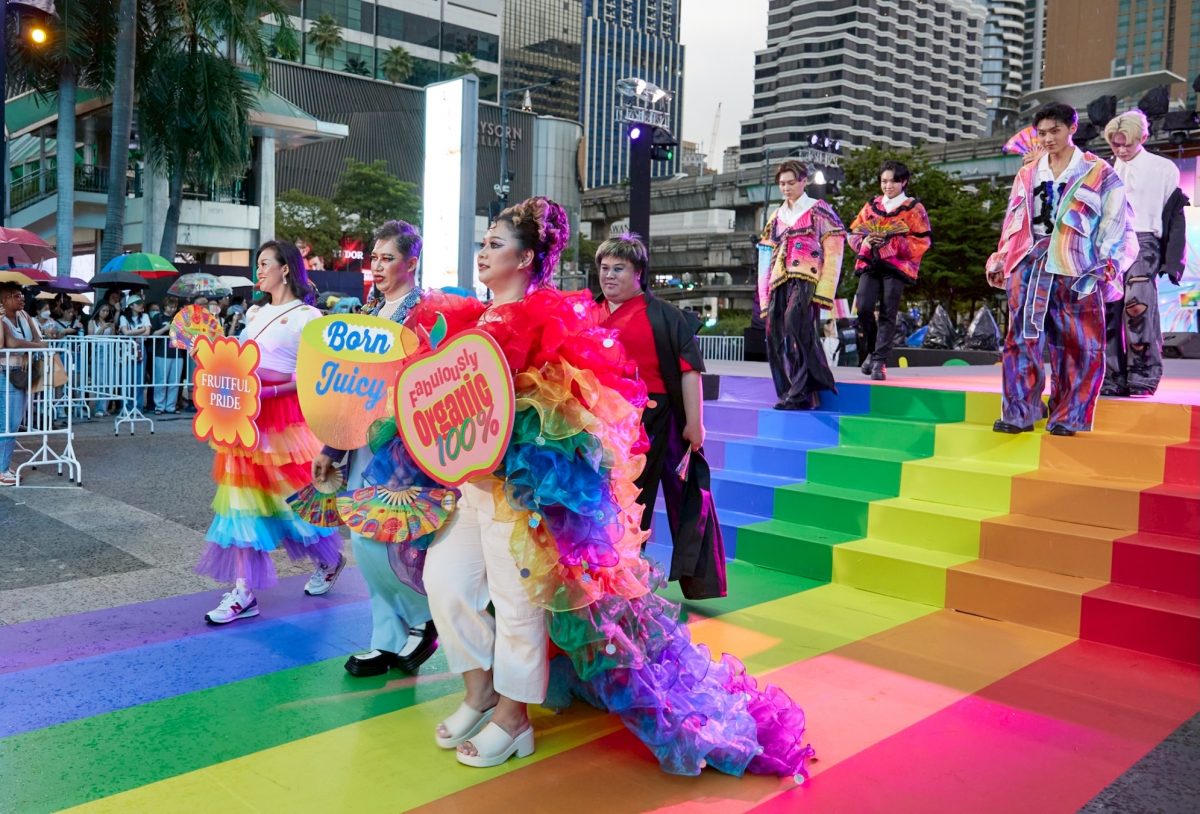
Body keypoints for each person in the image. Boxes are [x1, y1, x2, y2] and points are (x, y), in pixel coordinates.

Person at [419, 197, 813, 778]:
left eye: (495, 245)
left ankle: (512, 715)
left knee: (518, 601)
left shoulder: (551, 319)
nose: (482, 254)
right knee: (444, 580)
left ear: (525, 259)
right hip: (471, 485)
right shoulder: (470, 320)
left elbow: (579, 414)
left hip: (524, 493)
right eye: (483, 244)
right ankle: (479, 690)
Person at [310, 221, 438, 676]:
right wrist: (332, 446)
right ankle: (386, 638)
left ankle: (423, 619)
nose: (378, 267)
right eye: (375, 258)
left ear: (411, 262)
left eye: (388, 258)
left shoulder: (427, 315)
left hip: (405, 449)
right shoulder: (368, 312)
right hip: (359, 442)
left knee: (394, 539)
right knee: (365, 540)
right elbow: (348, 387)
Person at [196, 241, 346, 624]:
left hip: (282, 418)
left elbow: (315, 375)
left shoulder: (308, 317)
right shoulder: (255, 312)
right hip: (244, 418)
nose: (259, 271)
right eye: (258, 264)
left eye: (265, 264)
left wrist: (274, 390)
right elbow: (238, 361)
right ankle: (243, 592)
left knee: (290, 499)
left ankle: (330, 559)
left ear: (286, 269)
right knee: (241, 501)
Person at [987, 102, 1137, 437]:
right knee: (1020, 339)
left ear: (1072, 128)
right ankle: (1018, 412)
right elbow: (1013, 219)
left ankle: (1069, 415)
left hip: (1077, 265)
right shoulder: (1028, 173)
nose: (1047, 139)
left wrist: (1105, 266)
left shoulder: (1099, 172)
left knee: (1079, 342)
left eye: (1055, 131)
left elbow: (1116, 222)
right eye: (1042, 133)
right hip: (1029, 262)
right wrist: (1003, 258)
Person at [595, 232, 706, 539]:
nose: (609, 275)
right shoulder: (586, 312)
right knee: (593, 499)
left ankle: (632, 565)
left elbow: (690, 372)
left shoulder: (667, 317)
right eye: (604, 268)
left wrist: (695, 424)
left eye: (618, 268)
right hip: (592, 420)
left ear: (638, 273)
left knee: (637, 497)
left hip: (648, 421)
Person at [1100, 110, 1182, 397]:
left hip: (1145, 240)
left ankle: (1144, 374)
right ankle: (1112, 376)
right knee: (1107, 309)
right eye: (1116, 144)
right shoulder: (1104, 170)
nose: (1121, 150)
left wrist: (1173, 259)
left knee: (1138, 305)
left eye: (1127, 144)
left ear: (1143, 138)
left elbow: (1174, 215)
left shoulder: (1164, 168)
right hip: (1109, 243)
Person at [758, 160, 845, 410]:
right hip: (778, 280)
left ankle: (801, 391)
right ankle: (791, 390)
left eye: (791, 183)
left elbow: (834, 250)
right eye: (782, 184)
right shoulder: (776, 216)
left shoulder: (819, 210)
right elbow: (765, 256)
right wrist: (764, 297)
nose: (786, 188)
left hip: (807, 279)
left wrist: (825, 291)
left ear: (804, 181)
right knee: (774, 334)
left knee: (794, 324)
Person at [847, 160, 933, 380]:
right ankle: (873, 351)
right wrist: (865, 241)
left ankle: (879, 361)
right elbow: (853, 232)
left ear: (904, 182)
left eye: (893, 181)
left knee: (888, 312)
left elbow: (922, 241)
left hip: (896, 267)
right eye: (884, 181)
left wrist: (893, 244)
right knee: (863, 307)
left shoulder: (914, 208)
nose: (888, 186)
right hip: (870, 264)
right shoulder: (871, 206)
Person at [1, 284, 47, 486]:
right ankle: (2, 470)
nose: (22, 299)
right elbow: (10, 343)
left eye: (21, 295)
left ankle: (3, 466)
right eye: (16, 296)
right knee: (9, 423)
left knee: (13, 422)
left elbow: (38, 338)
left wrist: (29, 349)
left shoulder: (25, 316)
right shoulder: (1, 319)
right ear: (4, 299)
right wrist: (34, 346)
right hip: (6, 372)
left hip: (24, 372)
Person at [149, 296, 184, 415]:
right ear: (164, 306)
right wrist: (167, 327)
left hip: (177, 353)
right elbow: (153, 334)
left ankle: (171, 406)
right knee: (161, 381)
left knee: (174, 382)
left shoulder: (178, 318)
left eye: (174, 307)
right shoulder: (158, 317)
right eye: (170, 307)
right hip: (161, 353)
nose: (172, 309)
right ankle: (159, 406)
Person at [118, 295, 152, 413]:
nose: (141, 305)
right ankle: (126, 407)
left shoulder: (145, 316)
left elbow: (147, 333)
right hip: (127, 349)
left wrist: (133, 333)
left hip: (140, 349)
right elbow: (126, 332)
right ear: (131, 306)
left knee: (139, 379)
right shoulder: (123, 317)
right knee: (127, 378)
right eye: (138, 303)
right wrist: (141, 330)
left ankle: (138, 407)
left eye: (141, 303)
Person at [87, 302, 118, 417]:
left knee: (109, 380)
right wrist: (102, 328)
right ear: (98, 311)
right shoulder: (92, 322)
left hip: (109, 350)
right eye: (103, 310)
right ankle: (99, 408)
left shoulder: (109, 322)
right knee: (99, 381)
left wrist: (112, 329)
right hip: (97, 351)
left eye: (107, 311)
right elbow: (90, 337)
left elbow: (113, 338)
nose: (105, 313)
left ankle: (104, 408)